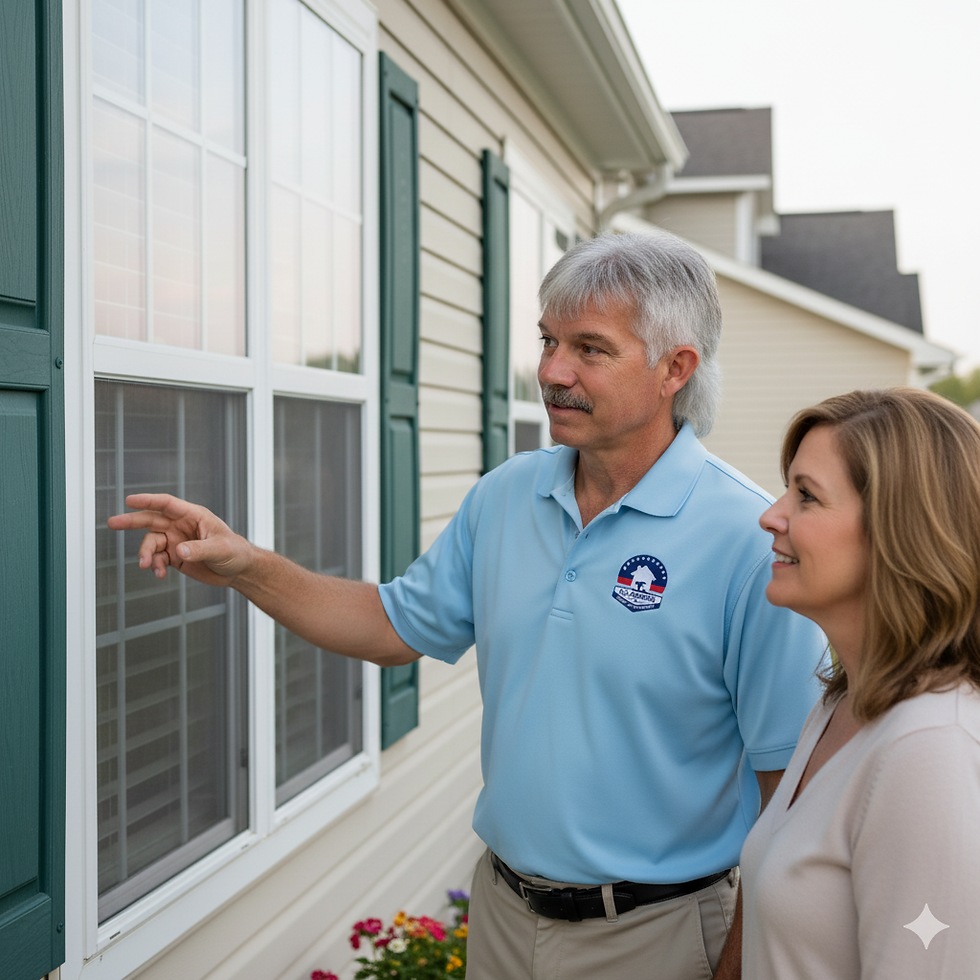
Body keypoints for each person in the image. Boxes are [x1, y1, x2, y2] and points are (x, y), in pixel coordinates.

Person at [109, 231, 823, 980]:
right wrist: (247, 567)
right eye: (548, 341)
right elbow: (391, 625)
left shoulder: (749, 540)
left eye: (590, 349)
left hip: (656, 937)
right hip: (504, 919)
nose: (552, 372)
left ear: (675, 367)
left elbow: (790, 797)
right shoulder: (507, 495)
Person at [742, 387, 980, 979]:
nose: (771, 515)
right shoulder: (841, 701)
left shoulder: (929, 748)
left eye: (807, 495)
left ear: (900, 530)